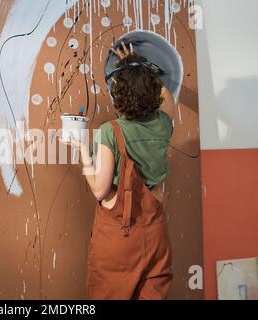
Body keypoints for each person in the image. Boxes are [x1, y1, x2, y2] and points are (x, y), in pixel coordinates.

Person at [63, 42, 175, 300]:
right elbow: (166, 96)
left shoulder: (110, 131)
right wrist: (137, 66)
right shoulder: (164, 123)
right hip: (157, 234)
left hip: (120, 236)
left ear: (118, 94)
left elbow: (100, 190)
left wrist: (82, 151)